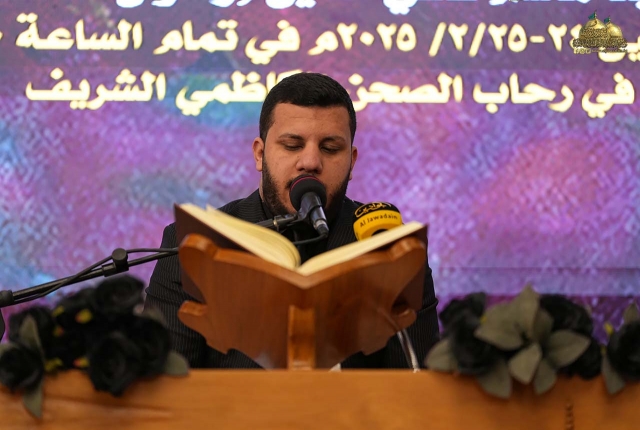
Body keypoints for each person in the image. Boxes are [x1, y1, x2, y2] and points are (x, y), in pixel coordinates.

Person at [144, 72, 440, 369]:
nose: (310, 162)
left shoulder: (392, 250)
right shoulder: (194, 243)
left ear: (351, 162)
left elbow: (418, 384)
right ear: (260, 154)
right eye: (292, 145)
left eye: (330, 148)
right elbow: (166, 382)